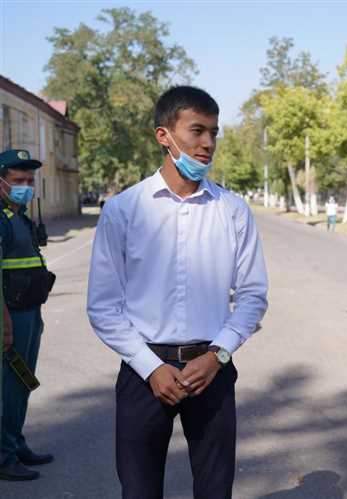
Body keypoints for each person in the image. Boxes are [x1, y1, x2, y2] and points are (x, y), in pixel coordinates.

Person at [87, 86, 268, 499]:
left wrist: (218, 355)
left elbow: (253, 295)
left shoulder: (233, 210)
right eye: (197, 131)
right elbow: (103, 306)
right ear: (163, 136)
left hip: (212, 370)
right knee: (139, 490)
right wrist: (150, 367)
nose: (208, 144)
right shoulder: (124, 210)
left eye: (214, 133)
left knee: (215, 489)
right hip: (144, 372)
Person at [0, 149, 56, 481]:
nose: (25, 185)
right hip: (10, 315)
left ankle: (15, 443)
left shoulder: (19, 215)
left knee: (22, 382)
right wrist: (4, 322)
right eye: (18, 180)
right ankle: (4, 456)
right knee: (9, 385)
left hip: (29, 312)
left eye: (29, 180)